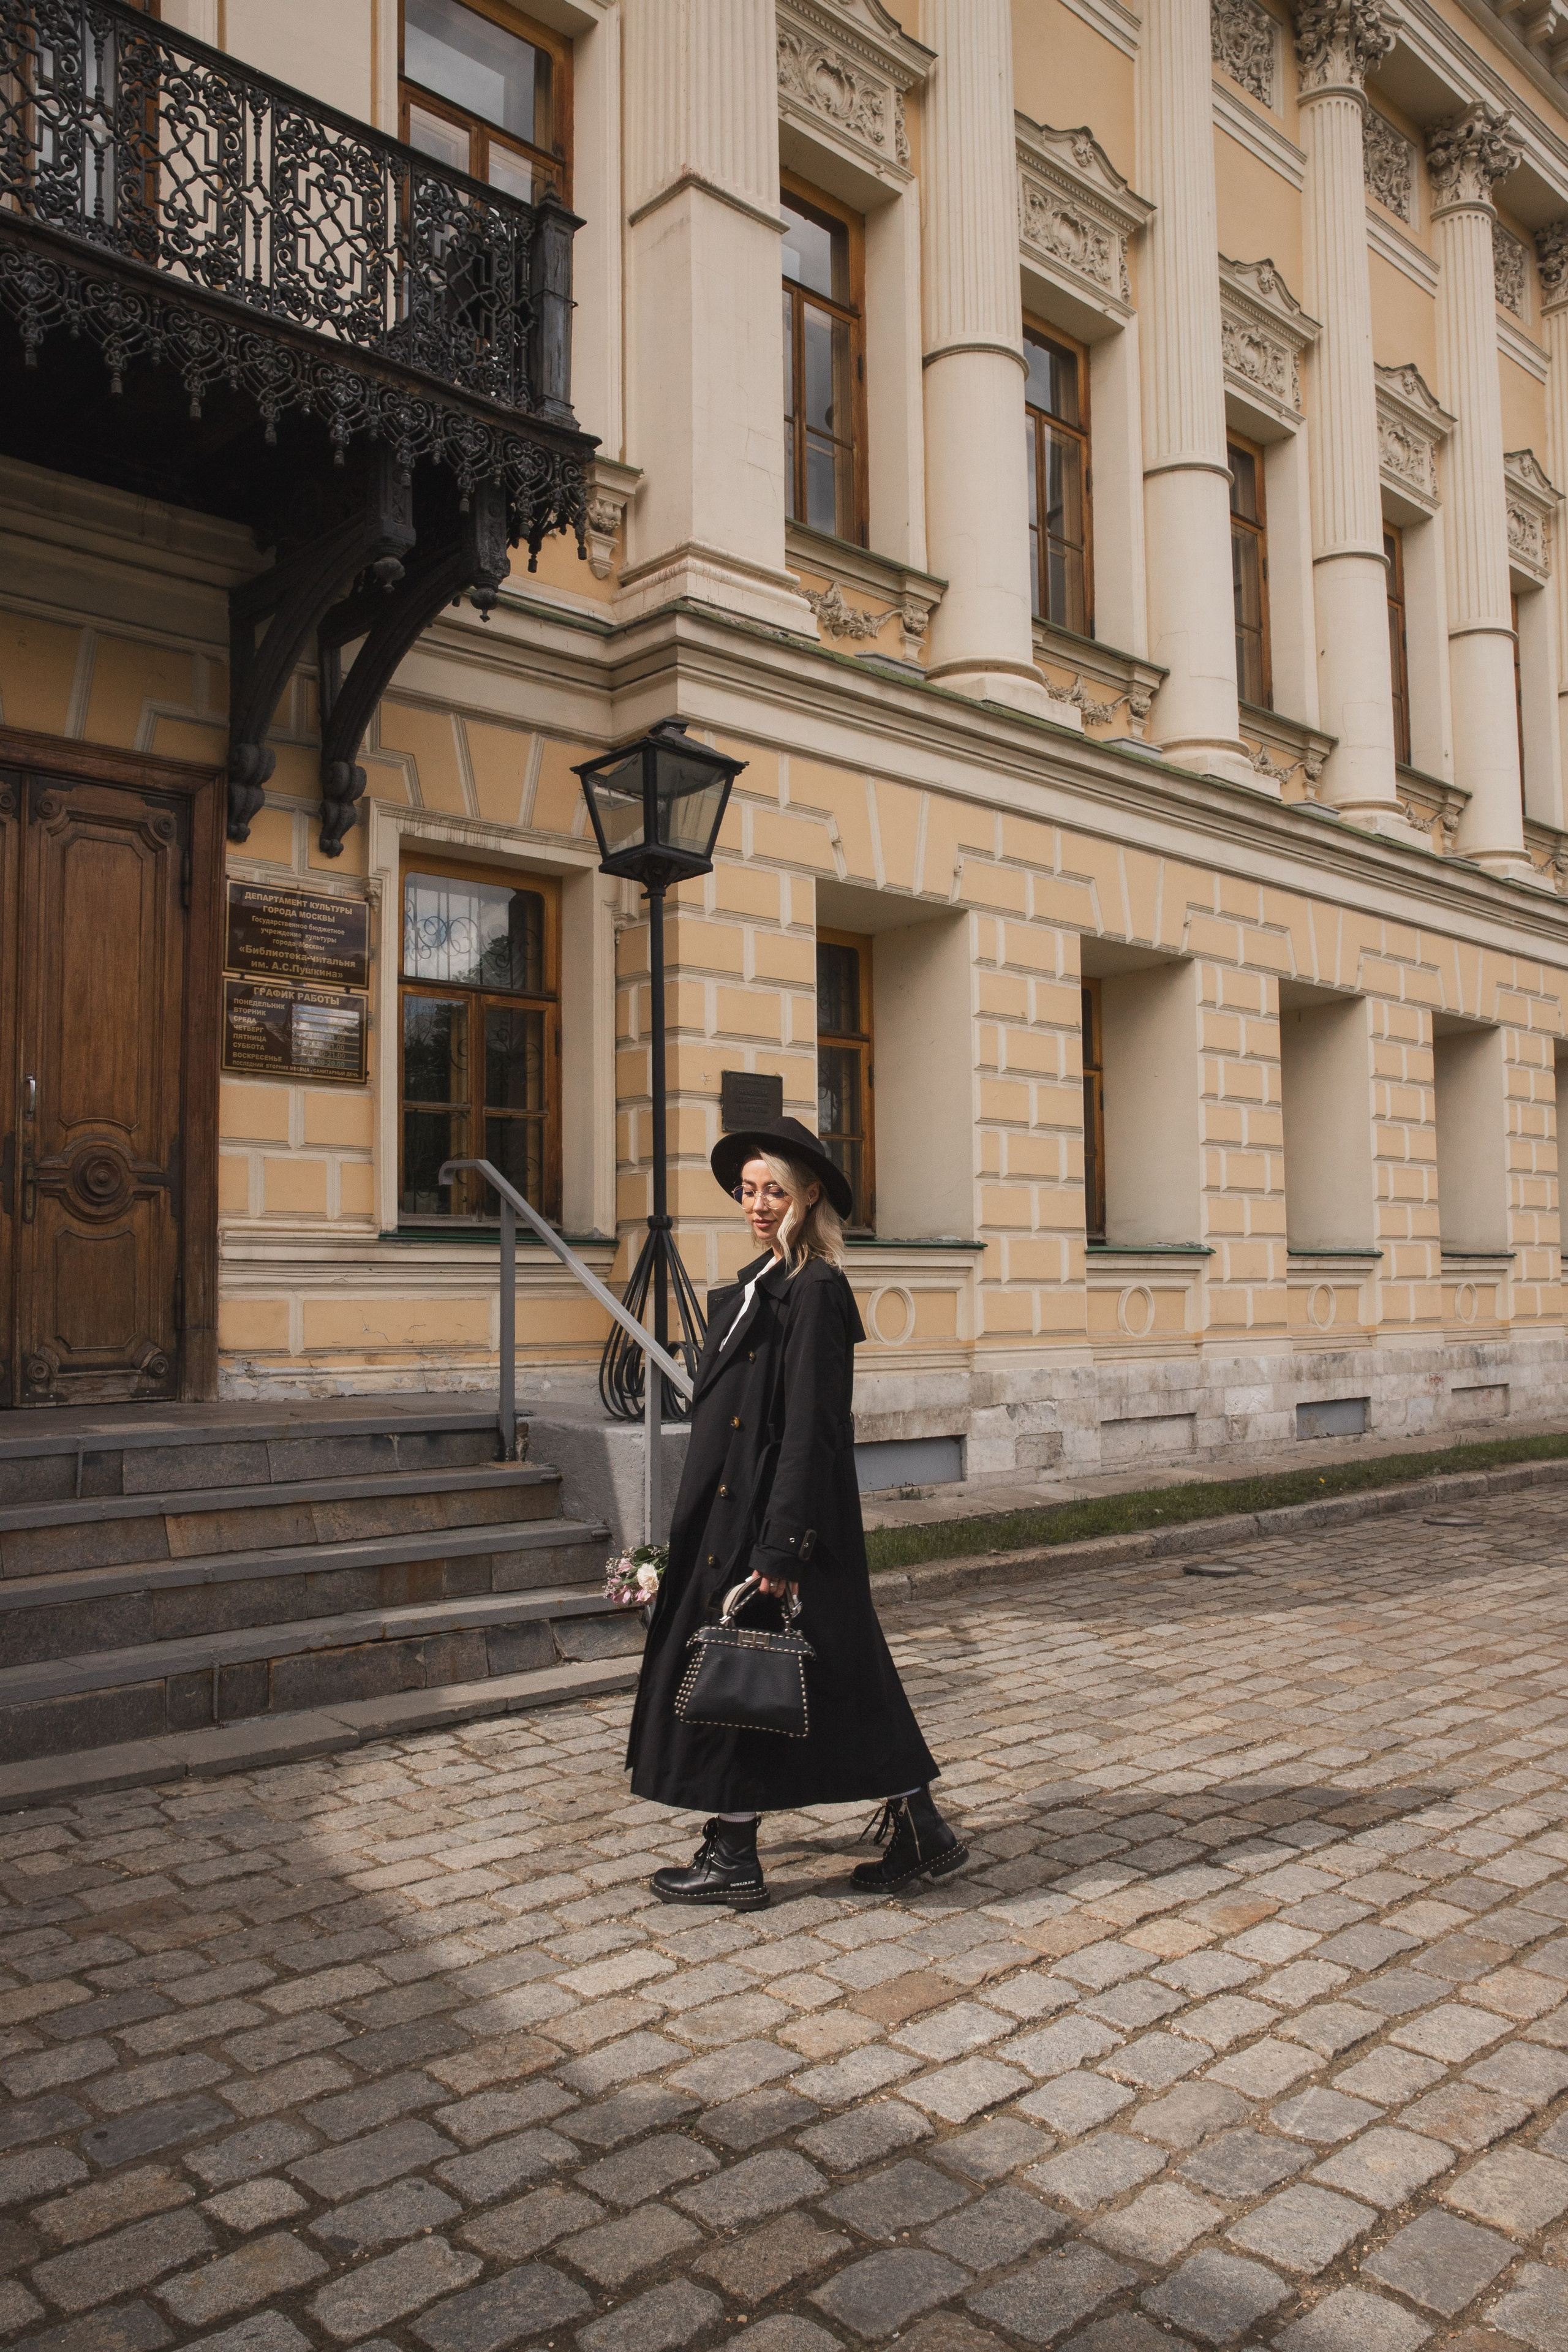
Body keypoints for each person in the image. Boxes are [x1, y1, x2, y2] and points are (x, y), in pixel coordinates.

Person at [625, 1114, 967, 1908]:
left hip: (780, 1526)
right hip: (739, 1517)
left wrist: (779, 1549)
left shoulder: (814, 1291)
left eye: (773, 1189)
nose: (757, 1202)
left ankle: (733, 1854)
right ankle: (922, 1829)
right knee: (843, 1678)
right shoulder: (757, 1285)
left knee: (740, 1677)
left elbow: (813, 1429)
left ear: (811, 1195)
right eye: (747, 1190)